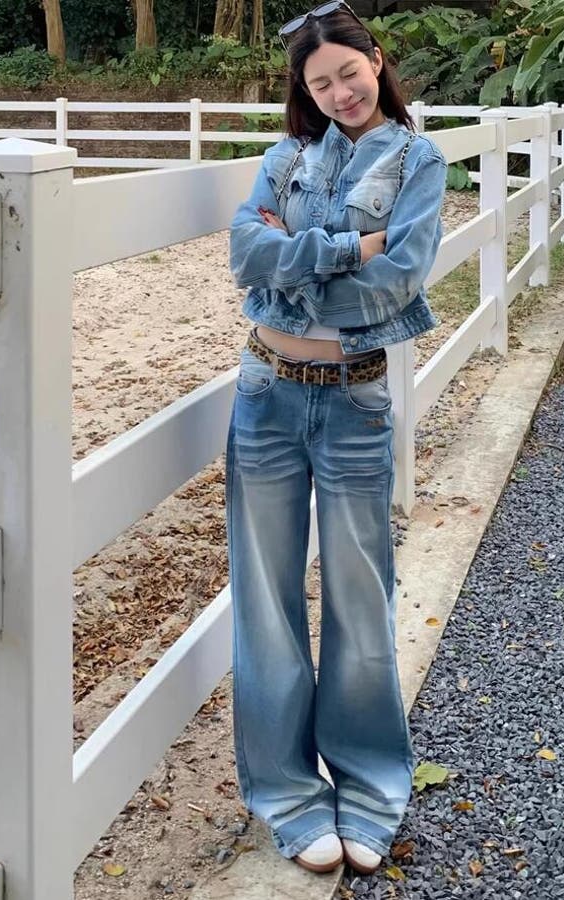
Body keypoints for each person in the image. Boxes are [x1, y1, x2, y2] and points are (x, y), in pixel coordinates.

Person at [225, 0, 447, 877]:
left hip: (353, 401)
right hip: (266, 394)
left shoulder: (418, 160)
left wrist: (295, 257)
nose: (339, 92)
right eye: (320, 83)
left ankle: (369, 786)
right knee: (266, 600)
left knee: (360, 597)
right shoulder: (286, 156)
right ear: (306, 92)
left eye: (348, 73)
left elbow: (400, 282)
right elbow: (244, 254)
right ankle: (286, 794)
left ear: (375, 61)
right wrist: (349, 249)